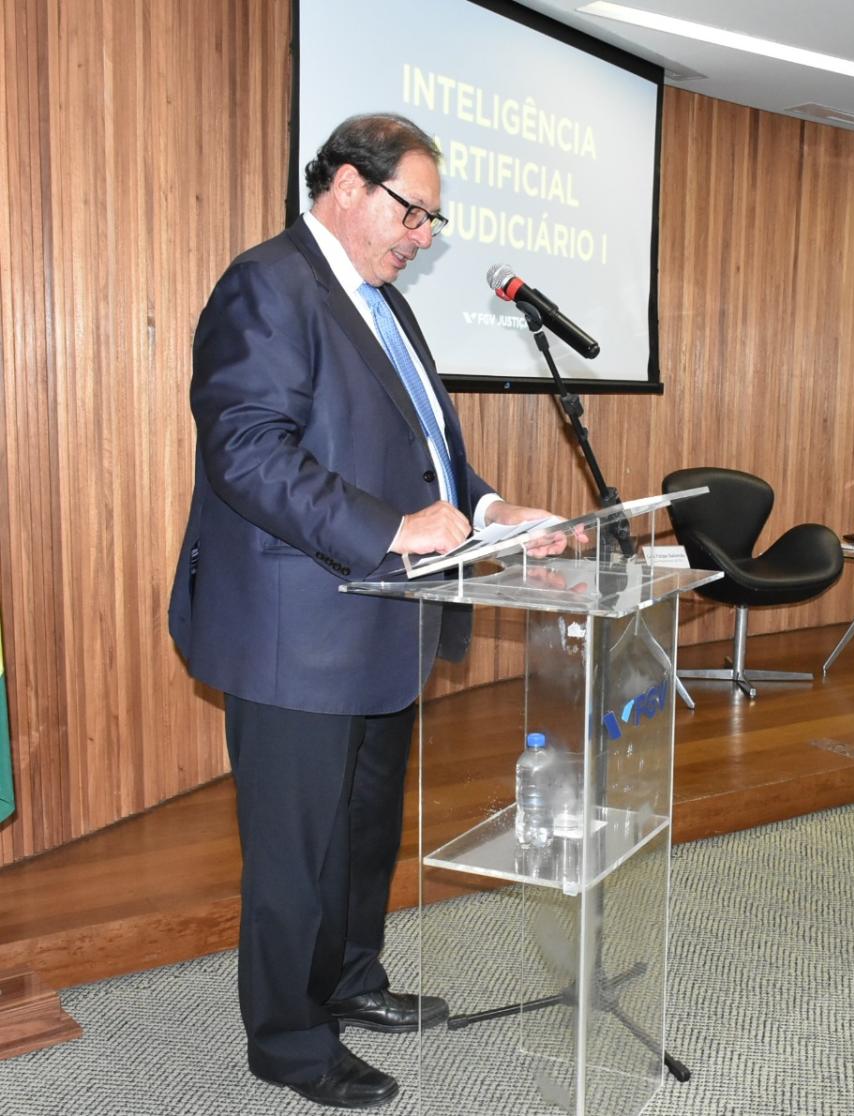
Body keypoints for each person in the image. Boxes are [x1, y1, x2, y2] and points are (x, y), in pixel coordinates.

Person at [168, 113, 571, 1109]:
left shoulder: (384, 306)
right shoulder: (269, 283)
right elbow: (248, 452)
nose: (423, 237)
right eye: (412, 212)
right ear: (347, 185)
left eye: (434, 220)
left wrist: (492, 511)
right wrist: (392, 528)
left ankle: (350, 979)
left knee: (361, 832)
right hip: (297, 632)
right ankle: (289, 1042)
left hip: (384, 623)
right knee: (295, 853)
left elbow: (428, 458)